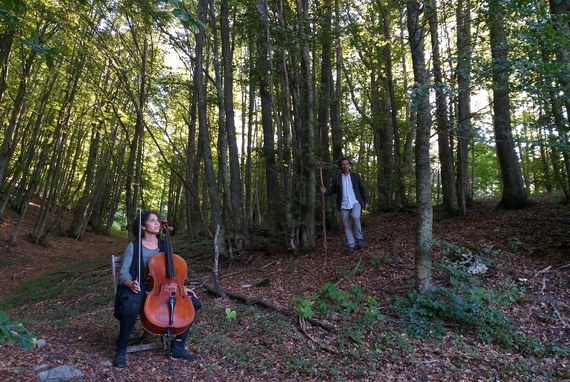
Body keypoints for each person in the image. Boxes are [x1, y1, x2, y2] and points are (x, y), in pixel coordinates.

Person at [113, 210, 200, 368]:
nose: (157, 223)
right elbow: (124, 273)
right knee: (131, 305)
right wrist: (130, 284)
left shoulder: (164, 245)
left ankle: (178, 346)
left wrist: (182, 287)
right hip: (138, 285)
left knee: (192, 302)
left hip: (162, 287)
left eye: (157, 220)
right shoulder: (133, 246)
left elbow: (174, 273)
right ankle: (121, 348)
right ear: (143, 226)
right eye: (152, 220)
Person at [320, 157, 370, 253]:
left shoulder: (355, 176)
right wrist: (325, 192)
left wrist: (366, 201)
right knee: (347, 225)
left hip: (355, 201)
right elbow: (333, 190)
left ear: (349, 165)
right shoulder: (336, 178)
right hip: (343, 204)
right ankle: (351, 245)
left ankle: (359, 239)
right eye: (343, 164)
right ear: (340, 166)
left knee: (355, 216)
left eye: (347, 164)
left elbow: (362, 189)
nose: (345, 166)